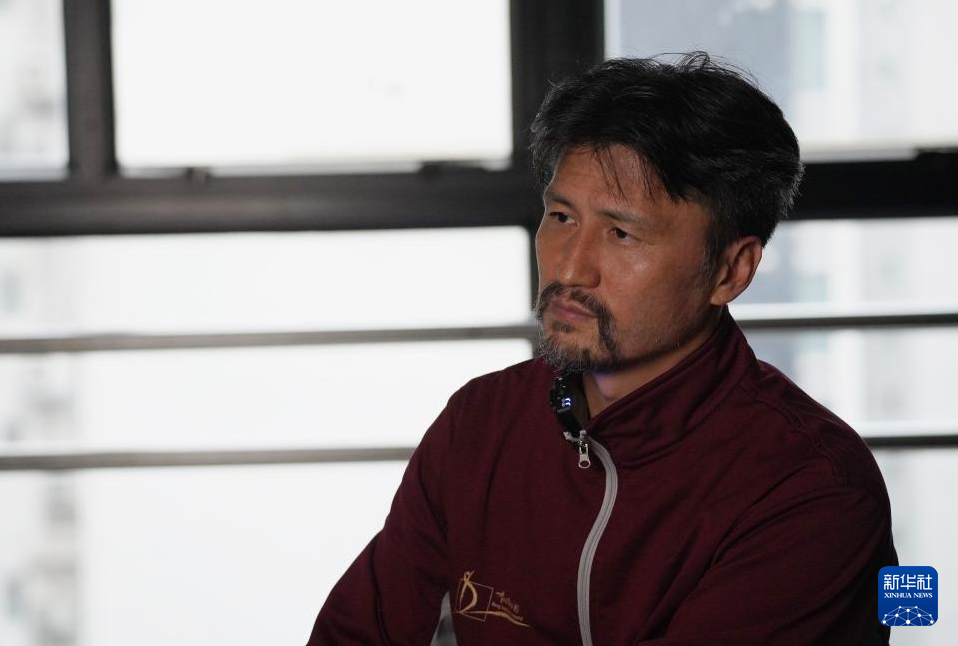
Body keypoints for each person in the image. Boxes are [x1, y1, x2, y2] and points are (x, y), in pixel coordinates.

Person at [309, 52, 897, 645]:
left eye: (621, 233)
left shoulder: (812, 487)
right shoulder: (483, 421)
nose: (570, 268)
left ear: (730, 270)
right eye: (561, 217)